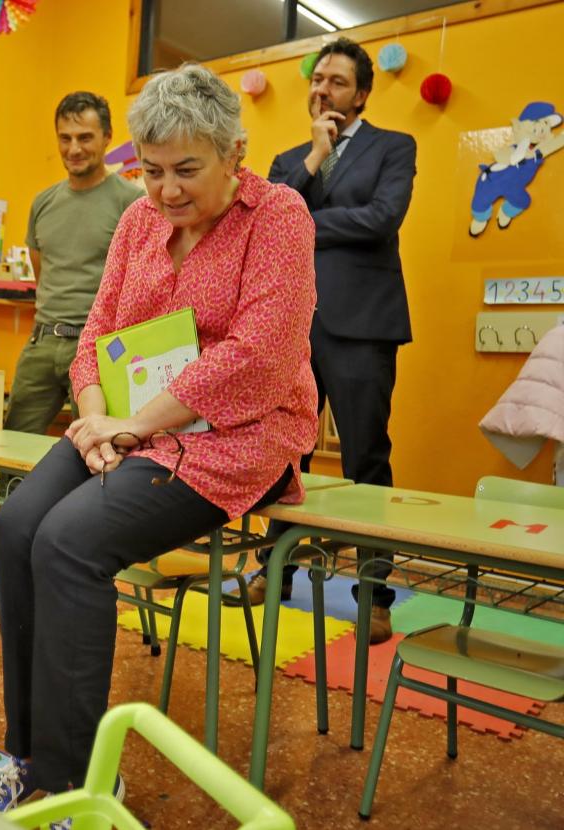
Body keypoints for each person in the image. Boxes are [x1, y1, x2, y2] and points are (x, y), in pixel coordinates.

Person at [0, 64, 318, 808]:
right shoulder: (137, 221)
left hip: (236, 431)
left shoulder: (281, 215)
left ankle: (76, 785)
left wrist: (131, 422)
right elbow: (98, 332)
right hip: (129, 424)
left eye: (187, 170)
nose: (166, 191)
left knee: (68, 544)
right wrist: (97, 419)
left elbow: (260, 354)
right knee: (15, 530)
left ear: (236, 152)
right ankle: (32, 758)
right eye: (153, 170)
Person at [263, 37, 417, 641]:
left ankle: (374, 595)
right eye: (318, 78)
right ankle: (270, 572)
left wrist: (305, 220)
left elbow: (382, 217)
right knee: (284, 456)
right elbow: (269, 223)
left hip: (362, 325)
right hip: (293, 328)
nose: (322, 88)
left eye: (337, 81)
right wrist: (315, 157)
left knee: (364, 459)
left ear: (362, 94)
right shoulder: (288, 162)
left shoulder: (393, 147)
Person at [5, 91, 143, 434]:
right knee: (12, 437)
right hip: (41, 341)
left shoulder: (133, 203)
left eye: (85, 138)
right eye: (65, 138)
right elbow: (42, 273)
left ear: (108, 137)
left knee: (95, 446)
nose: (74, 149)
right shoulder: (43, 202)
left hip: (97, 347)